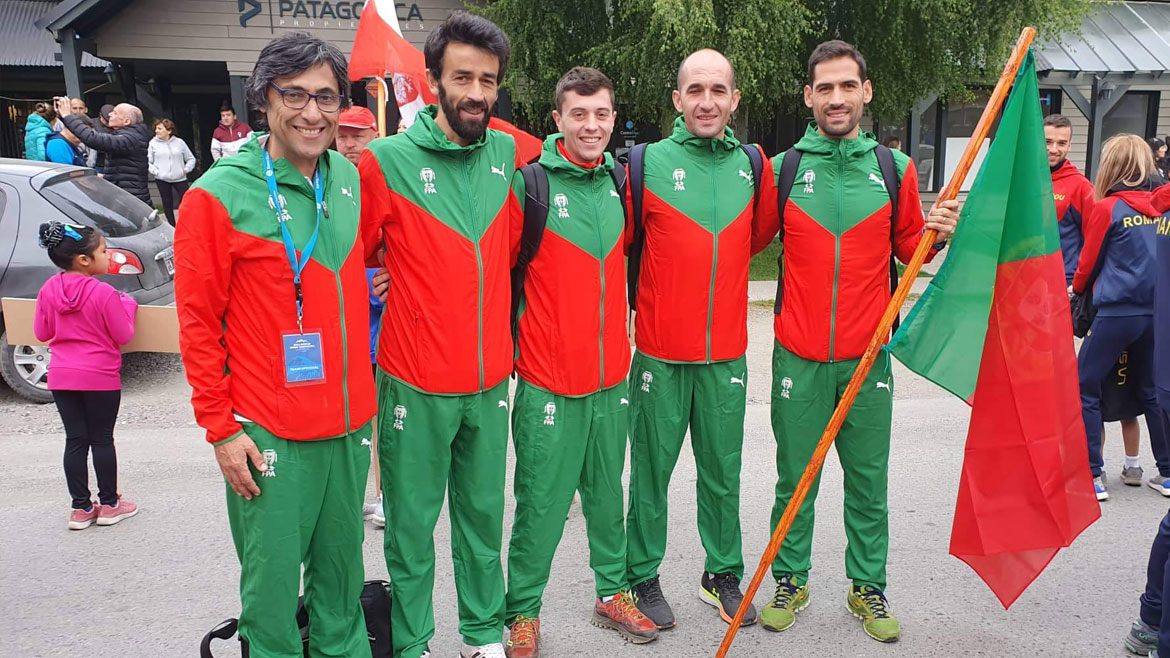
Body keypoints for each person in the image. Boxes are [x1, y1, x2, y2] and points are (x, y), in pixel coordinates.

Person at [174, 32, 377, 657]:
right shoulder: (215, 196)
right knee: (270, 602)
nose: (313, 113)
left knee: (342, 591)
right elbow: (198, 326)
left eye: (326, 96)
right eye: (295, 95)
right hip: (270, 433)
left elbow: (355, 261)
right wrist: (221, 429)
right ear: (264, 100)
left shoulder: (346, 175)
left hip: (349, 426)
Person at [752, 40, 959, 643]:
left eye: (848, 86)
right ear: (809, 96)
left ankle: (867, 585)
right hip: (798, 354)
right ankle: (790, 578)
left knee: (868, 481)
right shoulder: (784, 168)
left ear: (866, 92)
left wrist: (938, 233)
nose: (836, 98)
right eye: (825, 88)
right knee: (796, 477)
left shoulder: (894, 168)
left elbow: (908, 249)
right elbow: (750, 239)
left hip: (869, 358)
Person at [358, 12, 522, 658]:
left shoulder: (507, 152)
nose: (476, 92)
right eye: (462, 77)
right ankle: (414, 641)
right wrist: (381, 274)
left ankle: (482, 637)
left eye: (488, 80)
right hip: (414, 380)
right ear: (431, 81)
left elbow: (510, 246)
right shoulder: (384, 160)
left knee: (483, 521)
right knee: (411, 527)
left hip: (488, 380)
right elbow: (356, 255)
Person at [502, 67, 659, 658]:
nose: (591, 125)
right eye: (579, 114)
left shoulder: (621, 184)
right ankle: (522, 611)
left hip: (610, 378)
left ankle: (612, 590)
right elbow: (491, 266)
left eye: (601, 115)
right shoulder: (532, 186)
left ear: (612, 120)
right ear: (558, 119)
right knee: (540, 507)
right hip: (547, 383)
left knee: (604, 496)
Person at [623, 48, 773, 631]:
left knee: (723, 470)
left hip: (726, 353)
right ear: (677, 100)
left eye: (718, 90)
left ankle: (722, 574)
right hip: (659, 351)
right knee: (651, 473)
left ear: (735, 100)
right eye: (695, 90)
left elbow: (753, 242)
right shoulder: (645, 163)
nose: (706, 101)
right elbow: (622, 243)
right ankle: (643, 574)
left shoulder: (754, 165)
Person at [1071, 133, 1170, 502]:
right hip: (1155, 312)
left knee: (1085, 387)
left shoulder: (1107, 208)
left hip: (1116, 312)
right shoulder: (1161, 207)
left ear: (1110, 165)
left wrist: (1076, 290)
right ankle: (1167, 472)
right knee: (1149, 390)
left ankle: (1092, 474)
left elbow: (1087, 264)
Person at [33, 221, 139, 530]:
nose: (108, 257)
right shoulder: (104, 293)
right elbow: (124, 334)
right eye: (104, 252)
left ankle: (80, 508)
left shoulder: (48, 289)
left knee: (75, 440)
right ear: (84, 259)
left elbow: (42, 332)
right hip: (99, 377)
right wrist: (128, 305)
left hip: (62, 377)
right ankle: (109, 504)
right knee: (102, 439)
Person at [1122, 175, 1170, 658]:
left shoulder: (1157, 209)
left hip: (1138, 320)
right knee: (1092, 390)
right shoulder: (1153, 210)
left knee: (1139, 398)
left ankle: (1153, 617)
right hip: (1128, 314)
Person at [56, 98, 152, 205]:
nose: (110, 114)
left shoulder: (130, 139)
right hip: (127, 196)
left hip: (131, 200)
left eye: (115, 113)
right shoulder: (129, 136)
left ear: (126, 121)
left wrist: (68, 117)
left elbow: (93, 139)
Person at [147, 118, 196, 225]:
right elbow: (148, 162)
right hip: (162, 179)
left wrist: (186, 169)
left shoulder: (179, 142)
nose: (157, 131)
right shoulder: (153, 143)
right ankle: (172, 226)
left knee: (186, 201)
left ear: (169, 131)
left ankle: (188, 223)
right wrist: (156, 172)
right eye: (156, 128)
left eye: (160, 128)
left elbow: (191, 158)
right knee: (167, 203)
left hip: (180, 178)